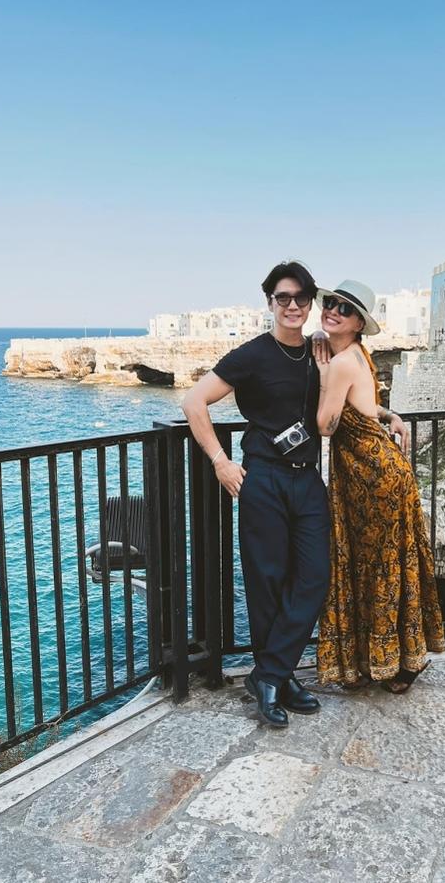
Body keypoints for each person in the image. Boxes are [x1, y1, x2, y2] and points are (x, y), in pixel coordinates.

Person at [182, 261, 330, 727]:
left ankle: (269, 673)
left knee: (315, 578)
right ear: (269, 302)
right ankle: (277, 680)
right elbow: (193, 401)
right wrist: (220, 461)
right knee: (267, 583)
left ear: (310, 303)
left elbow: (347, 397)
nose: (292, 305)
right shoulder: (250, 355)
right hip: (263, 478)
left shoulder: (319, 352)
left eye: (300, 297)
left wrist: (386, 415)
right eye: (283, 297)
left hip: (308, 479)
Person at [312, 280, 445, 693]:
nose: (333, 311)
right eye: (331, 303)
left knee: (378, 566)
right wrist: (390, 416)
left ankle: (394, 664)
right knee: (391, 563)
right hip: (379, 472)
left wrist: (323, 376)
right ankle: (393, 661)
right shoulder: (357, 354)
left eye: (345, 309)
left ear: (358, 323)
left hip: (373, 478)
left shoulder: (340, 362)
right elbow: (366, 408)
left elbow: (326, 426)